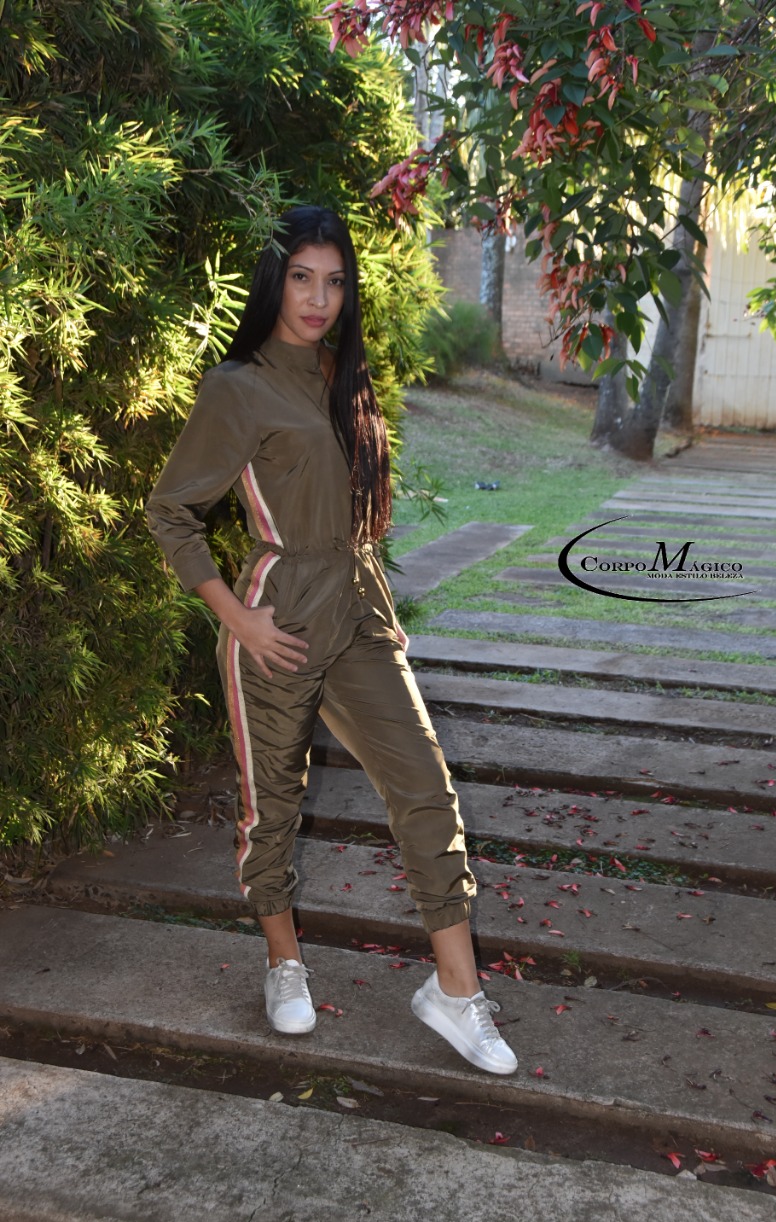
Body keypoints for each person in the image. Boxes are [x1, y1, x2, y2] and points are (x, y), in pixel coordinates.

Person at [146, 206, 517, 1076]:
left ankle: (455, 992)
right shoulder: (237, 387)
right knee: (271, 806)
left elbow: (354, 513)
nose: (318, 298)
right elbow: (171, 512)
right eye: (302, 278)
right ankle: (283, 962)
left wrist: (375, 605)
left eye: (334, 281)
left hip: (357, 615)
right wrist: (236, 617)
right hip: (276, 623)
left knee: (424, 788)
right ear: (273, 283)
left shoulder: (343, 374)